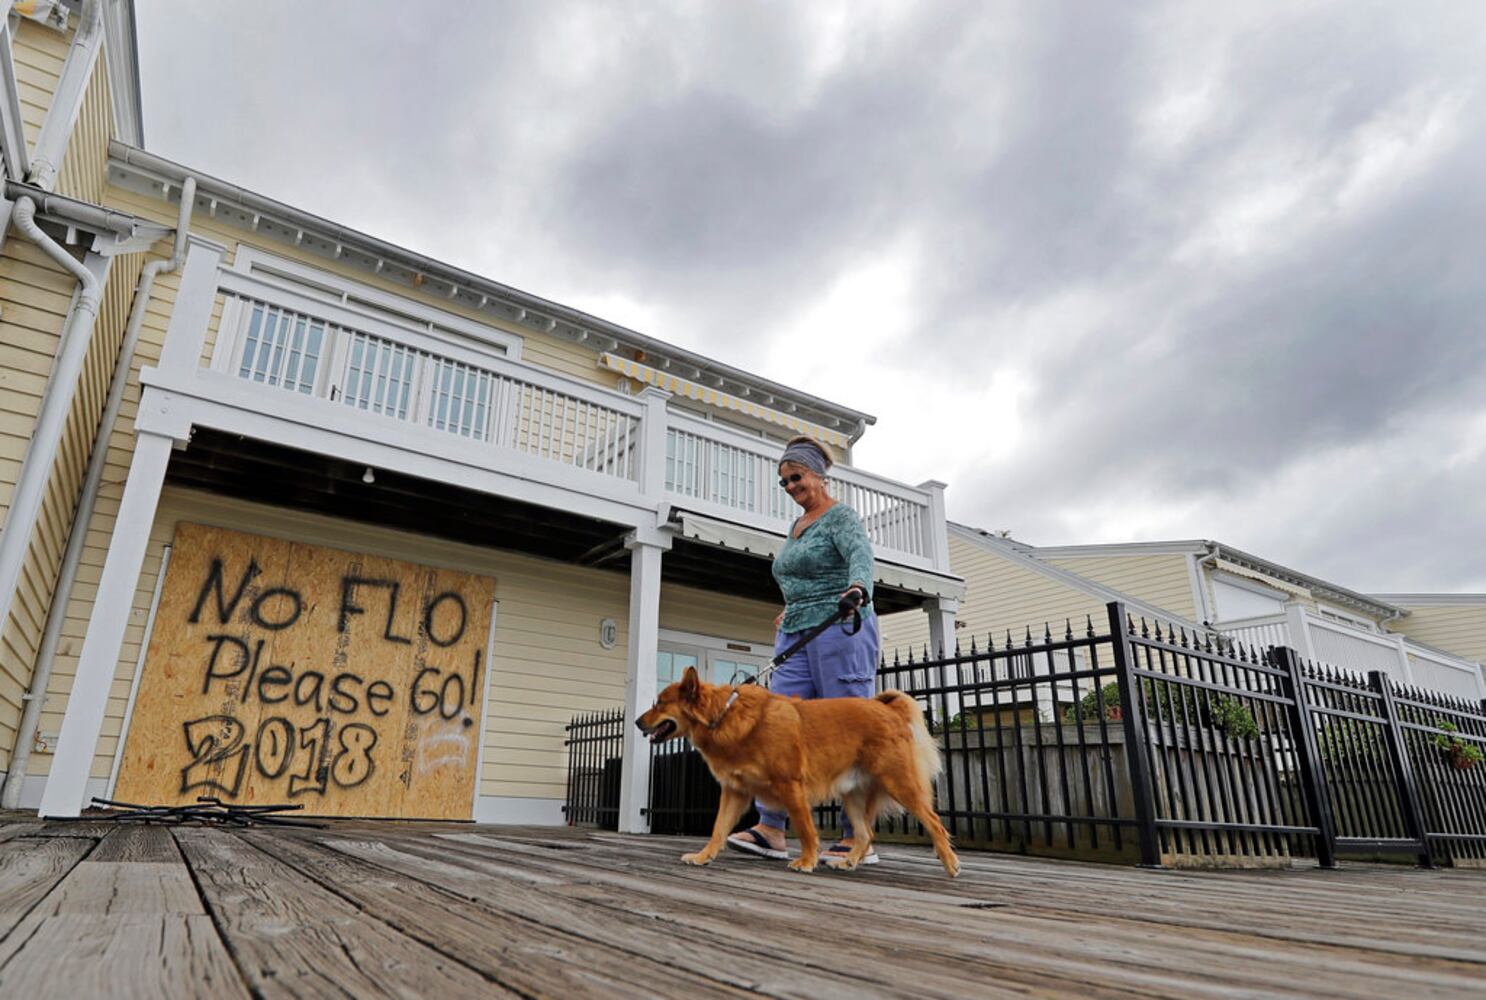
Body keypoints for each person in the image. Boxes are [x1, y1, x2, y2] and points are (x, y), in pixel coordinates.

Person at [725, 434, 881, 867]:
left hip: (841, 626)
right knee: (779, 726)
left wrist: (856, 590)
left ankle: (858, 837)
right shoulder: (795, 528)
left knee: (848, 729)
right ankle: (772, 828)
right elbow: (800, 577)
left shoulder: (841, 518)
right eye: (784, 482)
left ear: (818, 475)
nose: (792, 486)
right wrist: (790, 609)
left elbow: (860, 559)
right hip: (797, 631)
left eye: (796, 477)